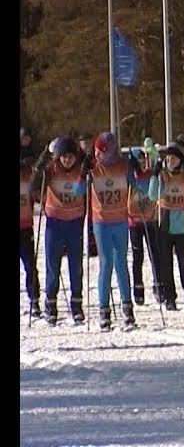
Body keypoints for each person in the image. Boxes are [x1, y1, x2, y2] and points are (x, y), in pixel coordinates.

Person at [74, 132, 139, 331]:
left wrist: (140, 171)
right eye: (96, 151)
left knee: (121, 264)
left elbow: (140, 187)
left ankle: (127, 309)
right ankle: (104, 310)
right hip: (101, 223)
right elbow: (78, 192)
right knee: (106, 264)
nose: (97, 154)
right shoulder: (93, 168)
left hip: (120, 221)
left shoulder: (123, 166)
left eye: (100, 151)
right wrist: (82, 174)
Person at [32, 137, 86, 325]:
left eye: (70, 157)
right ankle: (51, 304)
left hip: (74, 223)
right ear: (58, 157)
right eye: (63, 157)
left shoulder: (81, 169)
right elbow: (34, 188)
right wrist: (41, 165)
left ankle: (76, 305)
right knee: (52, 265)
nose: (67, 161)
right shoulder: (51, 169)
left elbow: (87, 183)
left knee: (75, 266)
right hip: (55, 223)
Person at [149, 145, 184, 311]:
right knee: (166, 263)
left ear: (180, 160)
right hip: (164, 222)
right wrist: (154, 175)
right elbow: (153, 195)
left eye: (173, 158)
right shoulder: (163, 175)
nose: (170, 161)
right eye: (168, 158)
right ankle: (170, 297)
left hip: (181, 225)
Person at [127, 147, 162, 305]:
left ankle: (158, 285)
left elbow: (155, 191)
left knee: (154, 253)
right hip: (134, 221)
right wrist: (131, 173)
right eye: (138, 161)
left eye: (143, 160)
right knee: (137, 256)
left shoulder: (149, 175)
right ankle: (138, 289)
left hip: (149, 219)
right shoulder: (129, 177)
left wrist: (155, 174)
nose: (141, 164)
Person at [20, 155, 41, 317]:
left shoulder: (27, 177)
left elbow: (37, 197)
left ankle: (34, 300)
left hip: (25, 228)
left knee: (30, 266)